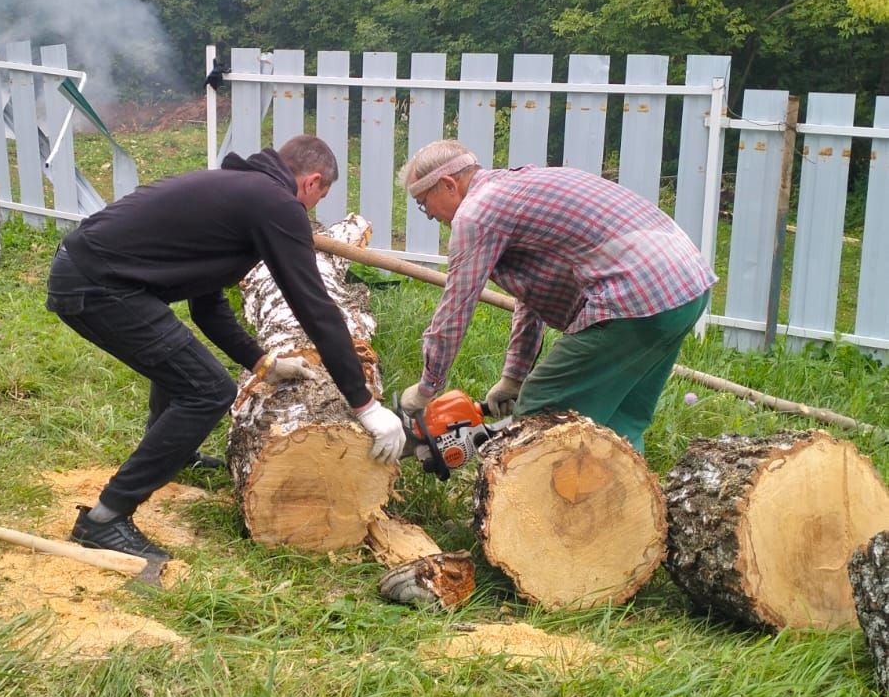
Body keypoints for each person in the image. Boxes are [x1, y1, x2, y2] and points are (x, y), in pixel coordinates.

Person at [46, 134, 407, 562]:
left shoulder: (238, 191)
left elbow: (208, 305)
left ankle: (173, 452)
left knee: (185, 375)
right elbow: (315, 308)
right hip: (98, 285)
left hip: (92, 273)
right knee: (207, 389)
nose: (308, 212)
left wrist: (263, 362)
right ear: (311, 182)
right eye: (317, 199)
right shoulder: (274, 202)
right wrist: (365, 406)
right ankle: (105, 519)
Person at [398, 140, 715, 453]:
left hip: (637, 295)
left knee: (541, 407)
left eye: (423, 202)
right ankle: (626, 500)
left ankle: (532, 500)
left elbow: (456, 309)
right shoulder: (517, 188)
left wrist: (427, 388)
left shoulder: (476, 213)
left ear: (447, 184)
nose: (427, 215)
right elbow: (534, 293)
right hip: (686, 287)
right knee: (619, 422)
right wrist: (513, 377)